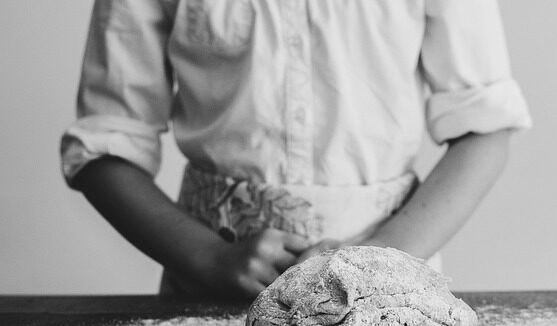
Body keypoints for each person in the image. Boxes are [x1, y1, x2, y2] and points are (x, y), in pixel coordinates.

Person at [61, 0, 531, 298]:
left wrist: (376, 262)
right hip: (209, 288)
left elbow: (484, 130)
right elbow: (105, 147)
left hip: (390, 285)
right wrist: (206, 259)